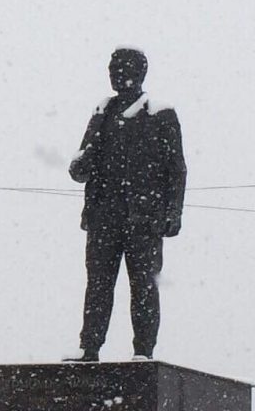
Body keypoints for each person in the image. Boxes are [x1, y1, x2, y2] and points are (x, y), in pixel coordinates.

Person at [67, 47, 186, 360]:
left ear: (140, 73)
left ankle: (143, 352)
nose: (114, 72)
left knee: (144, 287)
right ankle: (89, 349)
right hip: (103, 216)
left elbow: (176, 168)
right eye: (112, 67)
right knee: (98, 286)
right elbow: (82, 161)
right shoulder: (102, 112)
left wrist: (173, 212)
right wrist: (80, 165)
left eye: (122, 67)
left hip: (143, 218)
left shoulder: (160, 114)